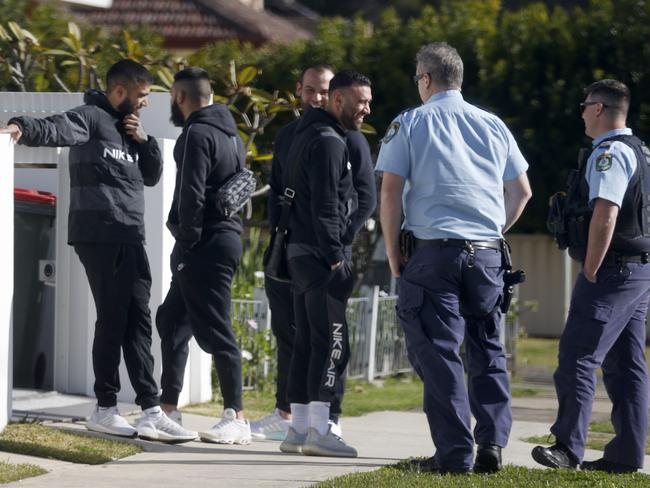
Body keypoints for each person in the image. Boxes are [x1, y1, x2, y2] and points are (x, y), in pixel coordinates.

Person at [0, 59, 197, 443]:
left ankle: (151, 409)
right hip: (98, 233)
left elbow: (153, 175)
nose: (144, 104)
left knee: (139, 319)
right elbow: (57, 127)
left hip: (130, 234)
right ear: (119, 91)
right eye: (140, 96)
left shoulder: (130, 131)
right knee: (113, 317)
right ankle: (104, 408)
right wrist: (22, 127)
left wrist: (143, 140)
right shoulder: (90, 117)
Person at [377, 42, 531, 473]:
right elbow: (522, 192)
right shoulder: (493, 124)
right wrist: (490, 231)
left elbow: (390, 193)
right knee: (488, 350)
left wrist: (393, 252)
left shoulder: (409, 123)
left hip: (433, 255)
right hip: (485, 256)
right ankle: (491, 447)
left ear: (426, 79)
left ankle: (455, 453)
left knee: (440, 354)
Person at [251, 64, 376, 441]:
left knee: (311, 339)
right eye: (362, 101)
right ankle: (315, 429)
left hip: (308, 252)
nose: (367, 109)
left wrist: (335, 243)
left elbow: (360, 199)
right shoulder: (324, 140)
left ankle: (308, 426)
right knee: (327, 341)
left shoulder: (331, 137)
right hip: (315, 255)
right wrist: (335, 253)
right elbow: (319, 204)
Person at [532, 80, 650, 474]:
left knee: (578, 357)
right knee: (626, 363)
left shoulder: (611, 153)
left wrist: (591, 267)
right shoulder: (642, 151)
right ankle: (626, 455)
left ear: (599, 109)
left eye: (585, 106)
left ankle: (567, 448)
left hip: (612, 270)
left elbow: (607, 212)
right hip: (638, 269)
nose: (582, 113)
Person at [155, 67, 251, 445]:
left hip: (204, 243)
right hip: (224, 238)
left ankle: (237, 417)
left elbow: (190, 193)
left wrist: (187, 241)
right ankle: (167, 411)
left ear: (180, 96)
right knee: (173, 321)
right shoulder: (232, 133)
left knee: (216, 330)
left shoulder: (196, 132)